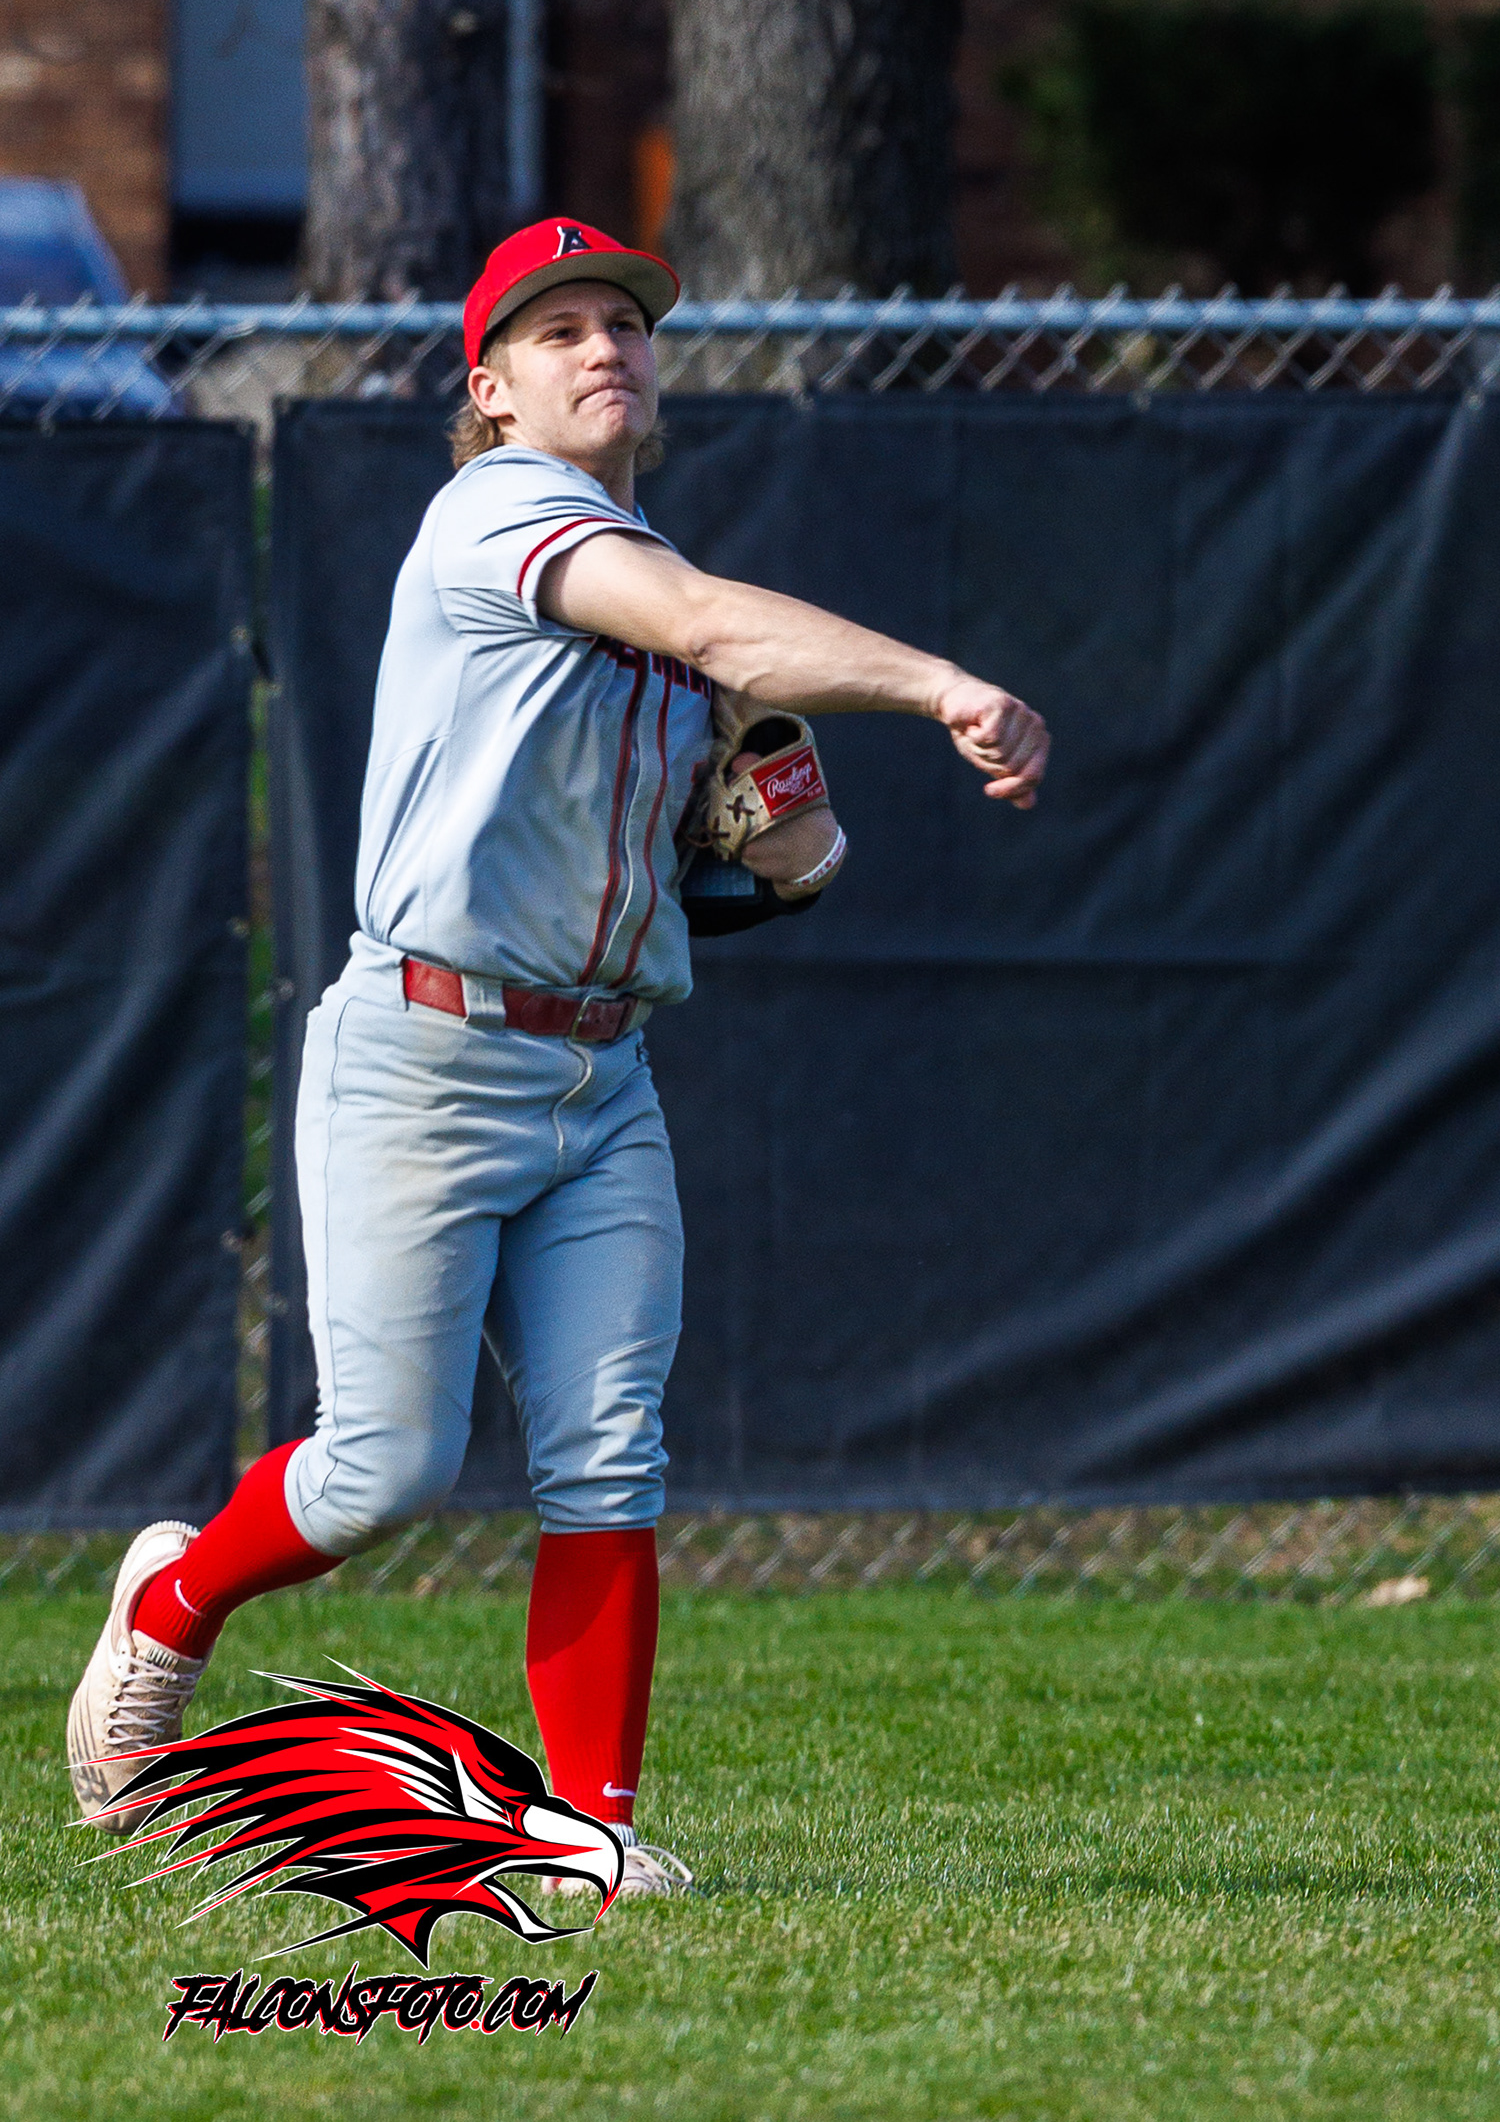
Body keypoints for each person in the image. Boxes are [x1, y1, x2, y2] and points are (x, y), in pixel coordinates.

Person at [67, 218, 1050, 1894]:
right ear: (494, 390)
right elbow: (718, 628)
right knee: (384, 1468)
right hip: (424, 1056)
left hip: (602, 1078)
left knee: (608, 1455)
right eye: (561, 329)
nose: (606, 346)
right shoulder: (499, 515)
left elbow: (739, 850)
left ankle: (590, 1826)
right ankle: (170, 1604)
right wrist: (942, 685)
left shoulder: (657, 613)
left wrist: (779, 848)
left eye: (626, 324)